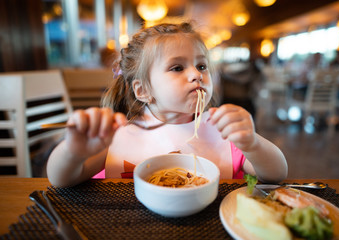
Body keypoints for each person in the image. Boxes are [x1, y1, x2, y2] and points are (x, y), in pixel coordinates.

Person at [47, 22, 288, 187]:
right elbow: (61, 179)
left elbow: (276, 175)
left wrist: (252, 143)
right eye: (177, 68)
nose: (197, 74)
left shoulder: (221, 130)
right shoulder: (117, 135)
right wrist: (73, 152)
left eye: (202, 66)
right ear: (143, 90)